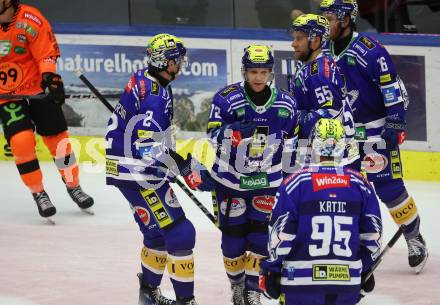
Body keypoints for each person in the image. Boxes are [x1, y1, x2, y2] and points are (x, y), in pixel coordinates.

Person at [320, 0, 428, 273]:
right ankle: (351, 243)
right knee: (340, 190)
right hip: (341, 136)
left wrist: (394, 122)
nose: (325, 23)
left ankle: (414, 237)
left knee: (390, 189)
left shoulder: (369, 51)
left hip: (374, 132)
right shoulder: (322, 52)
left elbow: (392, 88)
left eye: (330, 18)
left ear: (346, 20)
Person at [106, 33, 213, 305]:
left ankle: (149, 294)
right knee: (180, 232)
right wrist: (184, 166)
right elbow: (148, 148)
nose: (181, 64)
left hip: (127, 169)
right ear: (164, 62)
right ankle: (185, 301)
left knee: (156, 234)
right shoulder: (154, 95)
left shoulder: (148, 78)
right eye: (177, 60)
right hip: (139, 172)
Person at [207, 45, 299, 305]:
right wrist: (233, 132)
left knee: (260, 238)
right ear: (244, 72)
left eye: (263, 71)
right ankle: (236, 284)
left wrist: (291, 179)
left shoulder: (286, 103)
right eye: (252, 71)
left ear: (270, 72)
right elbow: (212, 137)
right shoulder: (226, 98)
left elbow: (292, 145)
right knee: (232, 242)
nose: (258, 77)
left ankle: (252, 289)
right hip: (230, 182)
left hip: (267, 181)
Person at [259, 118, 382, 305]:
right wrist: (363, 268)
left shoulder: (295, 183)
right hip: (346, 283)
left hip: (299, 283)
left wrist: (271, 270)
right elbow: (373, 237)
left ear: (312, 144)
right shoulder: (361, 185)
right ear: (344, 145)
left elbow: (281, 237)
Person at [0, 0, 94, 221]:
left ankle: (73, 186)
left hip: (37, 91)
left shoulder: (30, 19)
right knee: (21, 141)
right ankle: (38, 193)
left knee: (58, 142)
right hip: (6, 96)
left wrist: (50, 78)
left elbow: (45, 54)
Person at [289, 13, 358, 166]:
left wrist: (290, 118)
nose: (293, 44)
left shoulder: (319, 74)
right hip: (325, 152)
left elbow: (329, 115)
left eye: (299, 39)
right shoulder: (311, 66)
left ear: (316, 41)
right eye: (294, 38)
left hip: (331, 157)